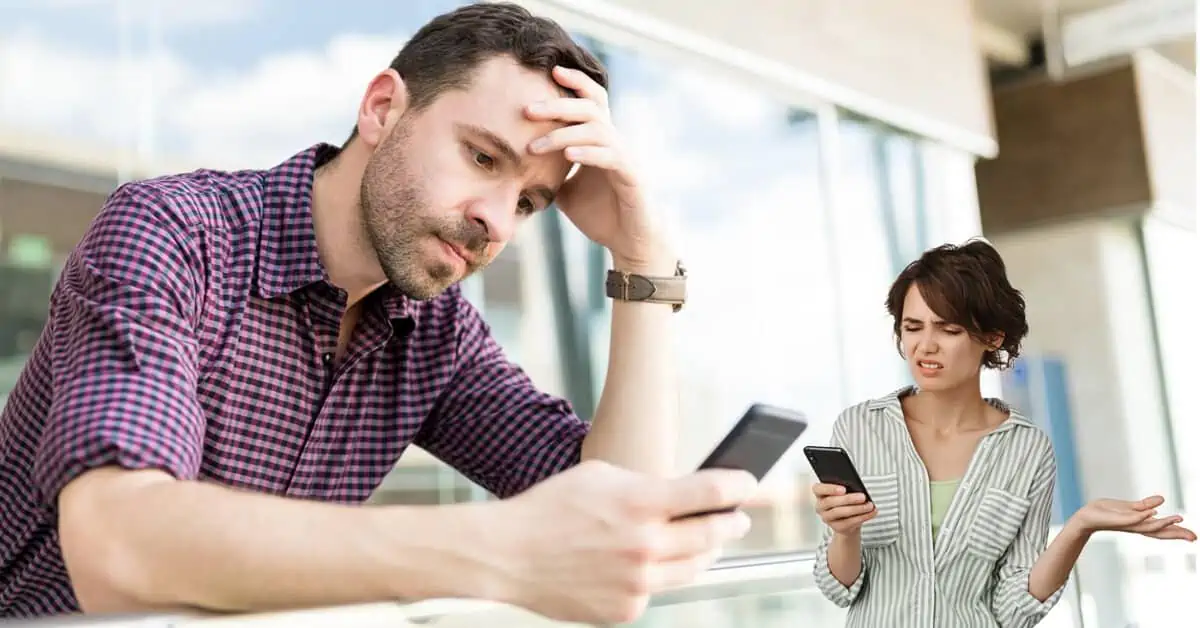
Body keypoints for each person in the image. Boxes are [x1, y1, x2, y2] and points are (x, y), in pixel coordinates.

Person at [0, 3, 760, 622]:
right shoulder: (176, 232)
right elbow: (116, 547)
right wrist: (497, 550)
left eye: (530, 202)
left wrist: (642, 261)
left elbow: (614, 515)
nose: (497, 219)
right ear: (382, 108)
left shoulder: (437, 330)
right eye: (484, 158)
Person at [810, 239, 1195, 628]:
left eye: (949, 329)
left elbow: (1013, 608)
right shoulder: (859, 428)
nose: (925, 346)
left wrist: (1081, 525)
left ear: (992, 337)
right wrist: (845, 533)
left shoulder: (1028, 450)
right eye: (912, 327)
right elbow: (839, 588)